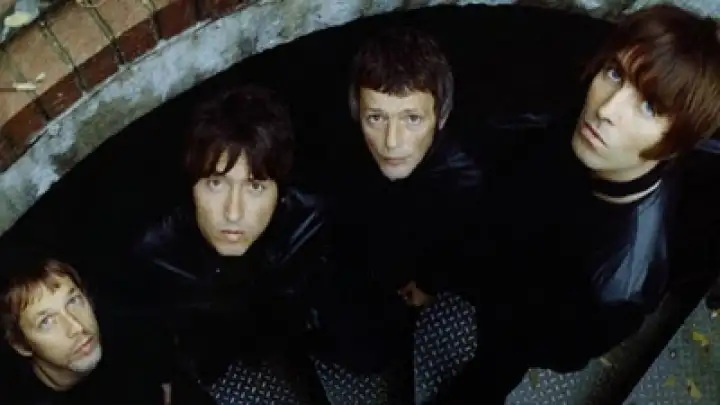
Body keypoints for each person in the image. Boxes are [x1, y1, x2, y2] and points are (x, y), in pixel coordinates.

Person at [433, 4, 720, 403]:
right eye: (615, 73)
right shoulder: (585, 134)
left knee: (487, 378)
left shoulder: (620, 285)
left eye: (650, 107)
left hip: (517, 328)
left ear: (676, 144)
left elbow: (561, 352)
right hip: (504, 265)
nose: (606, 109)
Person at [309, 27, 483, 405]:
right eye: (376, 118)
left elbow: (463, 241)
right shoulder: (337, 148)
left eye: (412, 119)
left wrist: (430, 283)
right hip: (351, 255)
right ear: (357, 113)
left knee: (373, 352)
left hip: (404, 269)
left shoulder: (462, 180)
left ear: (441, 116)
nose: (392, 141)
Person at [131, 84, 330, 405]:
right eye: (215, 183)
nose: (233, 212)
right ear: (191, 185)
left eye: (255, 186)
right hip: (207, 342)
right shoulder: (156, 247)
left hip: (274, 325)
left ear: (280, 191)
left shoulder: (308, 218)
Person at [0, 253, 170, 405]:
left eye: (73, 301)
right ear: (21, 346)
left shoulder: (134, 337)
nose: (77, 327)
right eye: (46, 322)